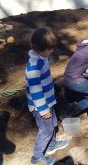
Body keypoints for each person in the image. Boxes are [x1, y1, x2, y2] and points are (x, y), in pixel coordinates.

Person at [25, 28, 69, 165]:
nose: (51, 52)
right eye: (49, 50)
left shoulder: (42, 58)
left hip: (48, 101)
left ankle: (51, 145)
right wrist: (43, 109)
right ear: (41, 49)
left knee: (53, 123)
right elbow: (35, 90)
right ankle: (37, 157)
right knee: (46, 130)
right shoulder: (34, 66)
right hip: (40, 106)